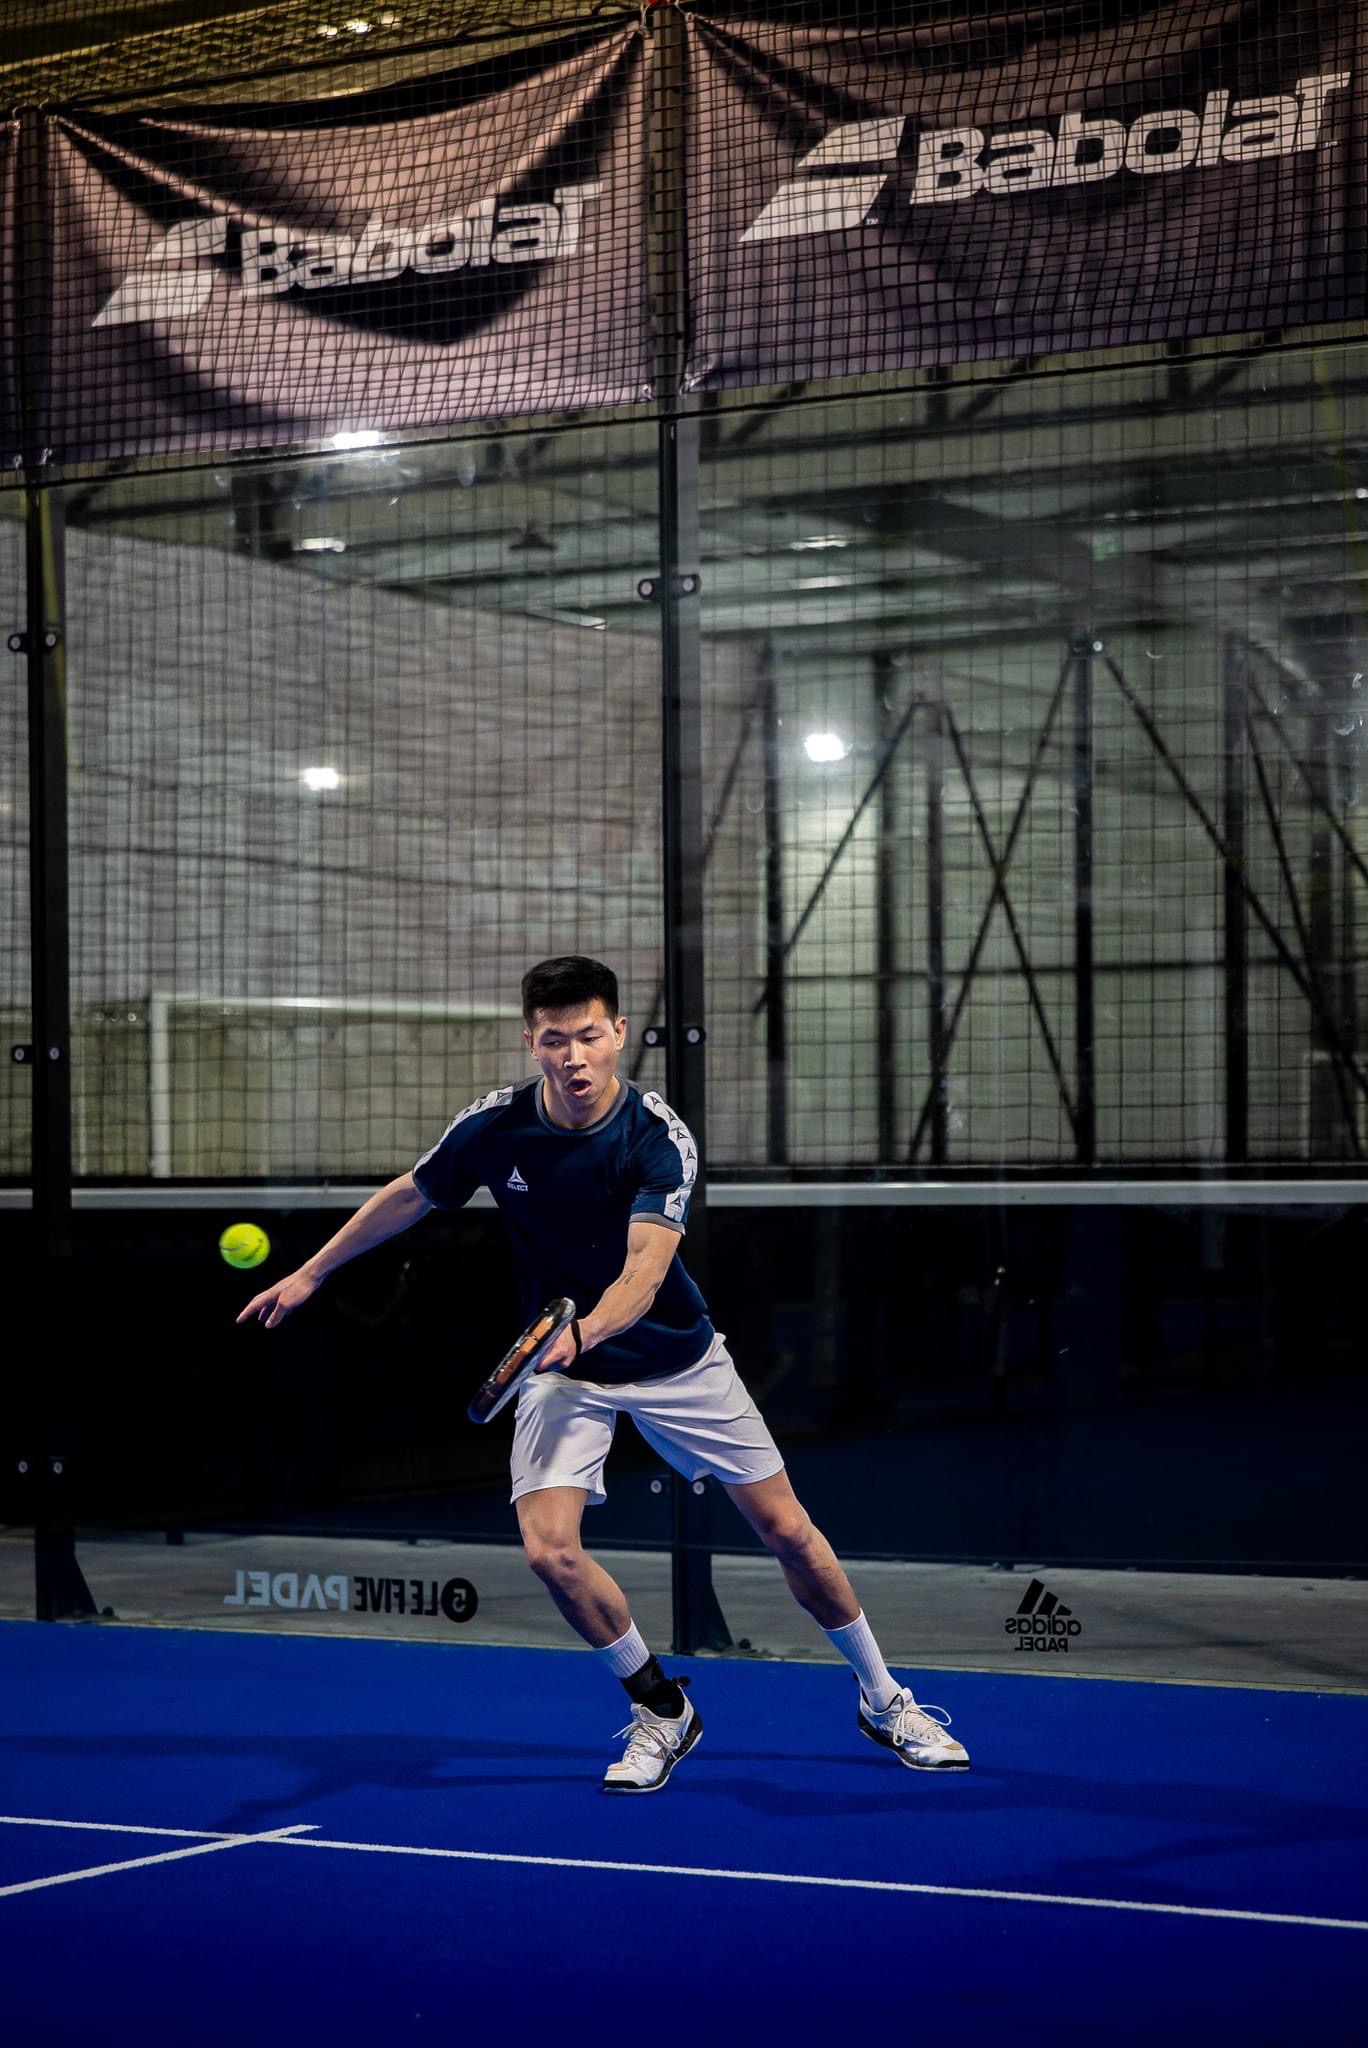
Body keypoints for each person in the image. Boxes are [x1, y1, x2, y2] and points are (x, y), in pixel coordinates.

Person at [238, 954, 970, 1792]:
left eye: (589, 1036)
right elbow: (413, 1191)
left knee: (789, 1532)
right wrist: (312, 1273)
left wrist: (583, 1333)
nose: (574, 1057)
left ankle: (885, 1699)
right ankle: (662, 1709)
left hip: (673, 1357)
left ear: (619, 1033)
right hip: (562, 1365)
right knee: (549, 1552)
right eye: (555, 1041)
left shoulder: (657, 1138)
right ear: (532, 1043)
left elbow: (643, 1275)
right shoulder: (494, 1126)